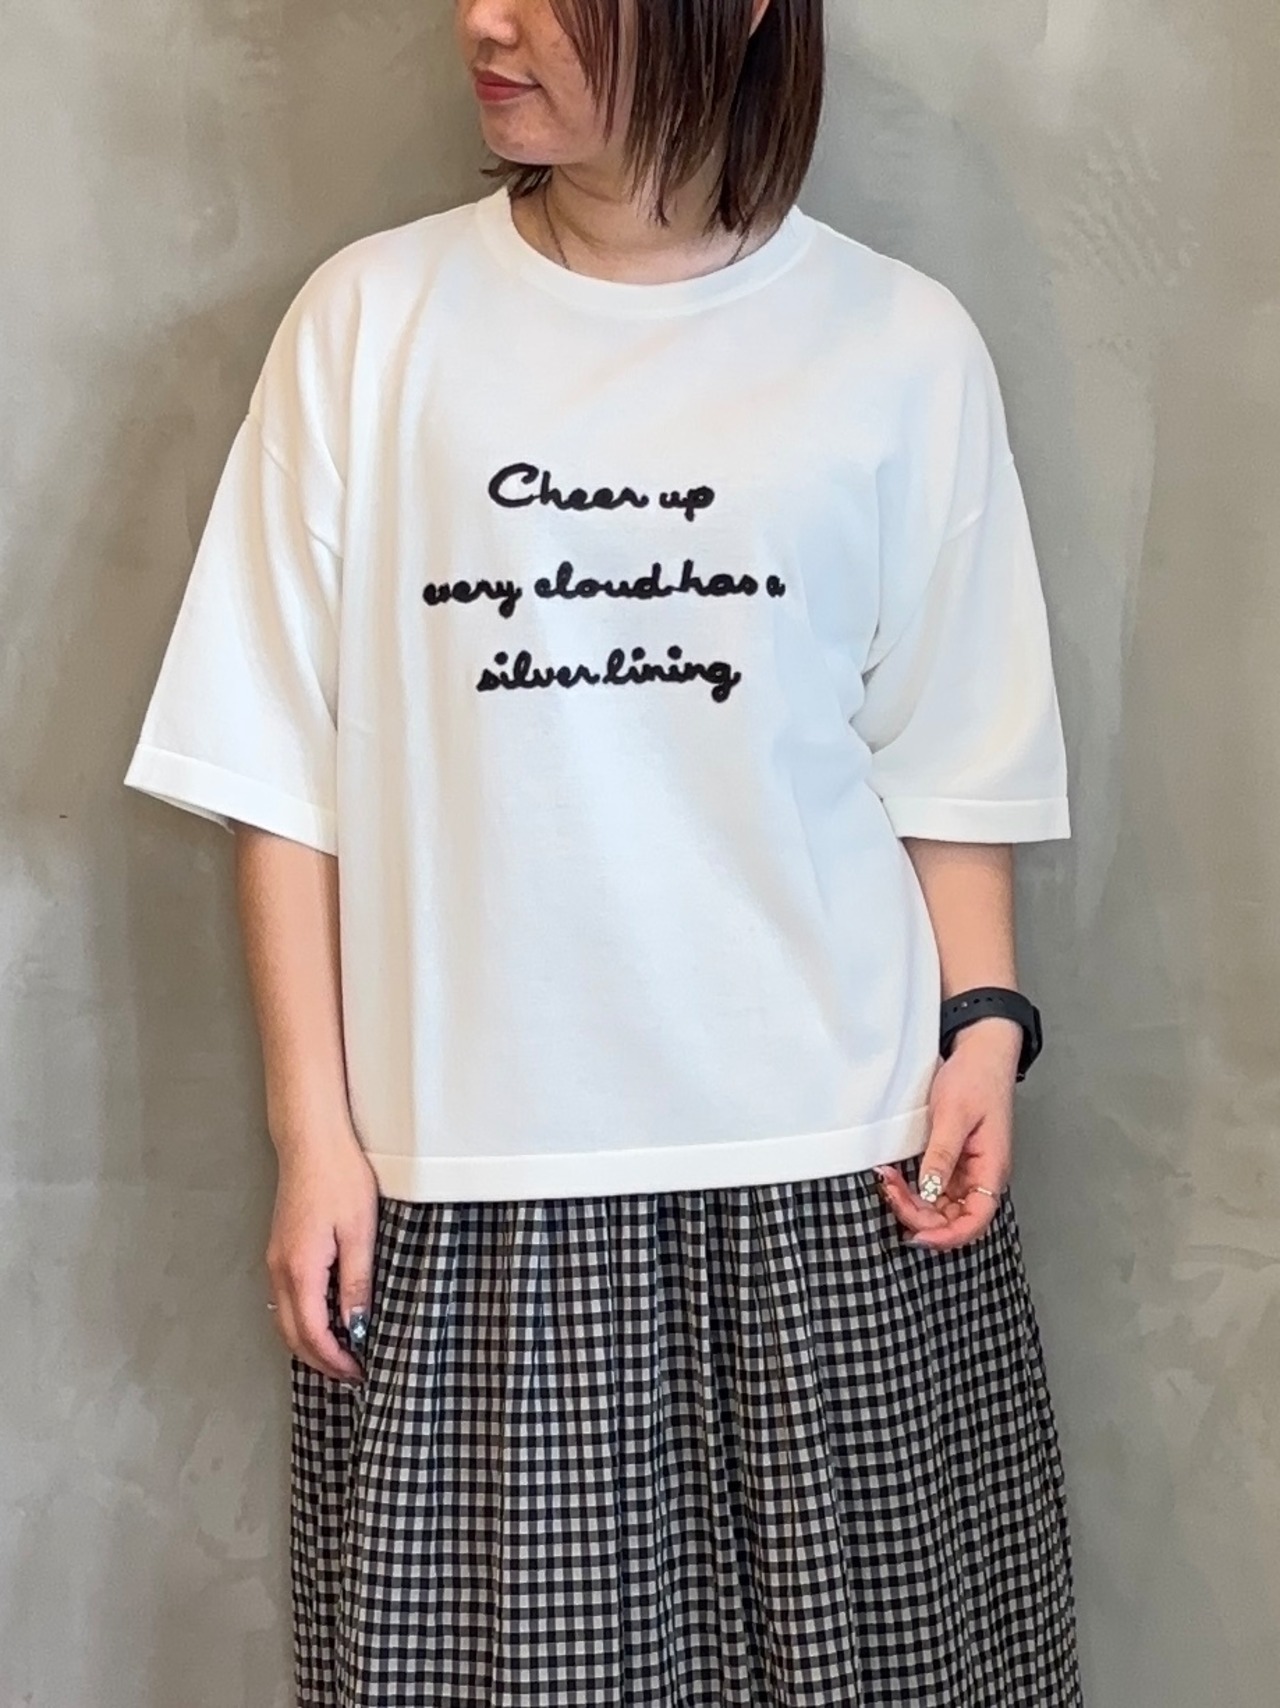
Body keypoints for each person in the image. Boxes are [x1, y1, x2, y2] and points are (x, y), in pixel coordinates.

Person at [124, 0, 1084, 1699]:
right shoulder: (370, 326)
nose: (483, 21)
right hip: (476, 1204)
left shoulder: (900, 344)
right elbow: (279, 775)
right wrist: (314, 1134)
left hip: (839, 1183)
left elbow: (951, 754)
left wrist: (986, 1029)